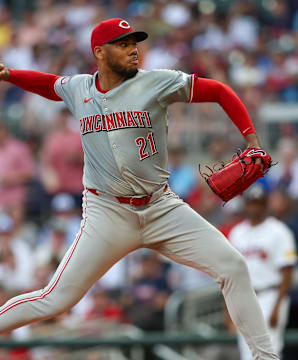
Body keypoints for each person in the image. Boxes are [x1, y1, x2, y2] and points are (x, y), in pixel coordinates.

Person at [0, 18, 278, 359]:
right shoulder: (80, 88)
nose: (133, 50)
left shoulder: (157, 82)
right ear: (100, 53)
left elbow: (219, 91)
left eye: (134, 43)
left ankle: (266, 357)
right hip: (108, 213)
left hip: (161, 207)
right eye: (123, 44)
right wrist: (8, 74)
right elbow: (50, 85)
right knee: (55, 299)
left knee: (233, 267)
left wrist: (251, 139)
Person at [228, 185, 298, 359]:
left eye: (258, 204)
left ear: (265, 205)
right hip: (243, 295)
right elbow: (228, 274)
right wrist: (228, 310)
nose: (254, 208)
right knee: (247, 351)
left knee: (270, 349)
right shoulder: (237, 233)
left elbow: (288, 273)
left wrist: (277, 307)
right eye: (251, 203)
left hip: (270, 293)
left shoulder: (279, 231)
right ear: (245, 205)